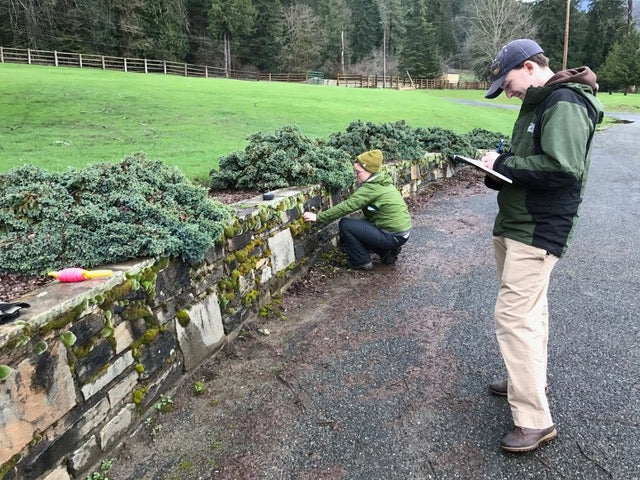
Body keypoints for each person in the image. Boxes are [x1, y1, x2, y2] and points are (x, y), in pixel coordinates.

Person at [480, 39, 604, 452]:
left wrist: (504, 165)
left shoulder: (564, 101)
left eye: (509, 81)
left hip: (537, 229)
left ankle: (535, 420)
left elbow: (562, 168)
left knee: (514, 318)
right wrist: (497, 167)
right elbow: (531, 161)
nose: (508, 91)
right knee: (530, 313)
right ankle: (526, 379)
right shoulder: (543, 101)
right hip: (518, 224)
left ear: (531, 67)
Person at [302, 149, 411, 270]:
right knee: (361, 224)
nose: (355, 174)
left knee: (346, 224)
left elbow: (347, 206)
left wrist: (318, 217)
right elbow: (374, 209)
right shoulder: (383, 182)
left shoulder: (371, 188)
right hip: (402, 234)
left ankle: (361, 261)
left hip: (392, 236)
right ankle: (387, 254)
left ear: (369, 171)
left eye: (358, 172)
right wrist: (359, 227)